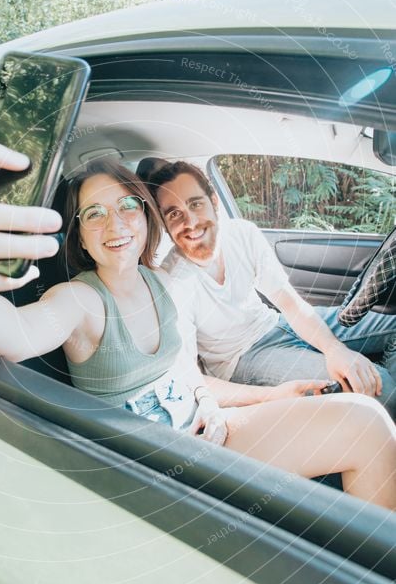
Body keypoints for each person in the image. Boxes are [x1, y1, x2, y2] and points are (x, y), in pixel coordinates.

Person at [0, 143, 396, 509]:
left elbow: (189, 378)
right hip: (155, 470)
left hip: (206, 432)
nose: (116, 225)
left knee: (365, 422)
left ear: (143, 215)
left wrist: (276, 393)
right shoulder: (78, 300)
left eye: (127, 206)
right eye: (95, 215)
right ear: (82, 239)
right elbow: (9, 332)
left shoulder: (157, 283)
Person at [145, 160, 396, 418]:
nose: (190, 221)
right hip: (244, 358)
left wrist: (336, 350)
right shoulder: (175, 284)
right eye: (174, 214)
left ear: (214, 201)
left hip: (277, 323)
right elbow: (189, 379)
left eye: (195, 203)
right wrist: (271, 396)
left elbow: (289, 303)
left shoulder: (242, 234)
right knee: (382, 387)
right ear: (165, 224)